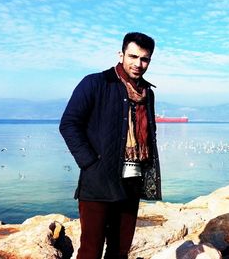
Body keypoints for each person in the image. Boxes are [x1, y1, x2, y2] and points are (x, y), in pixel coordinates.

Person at [60, 32, 162, 259]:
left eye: (144, 59)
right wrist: (90, 162)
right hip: (98, 182)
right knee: (90, 251)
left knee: (120, 250)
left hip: (132, 182)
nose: (138, 64)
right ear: (121, 54)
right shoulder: (96, 83)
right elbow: (69, 124)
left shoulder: (147, 92)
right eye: (133, 56)